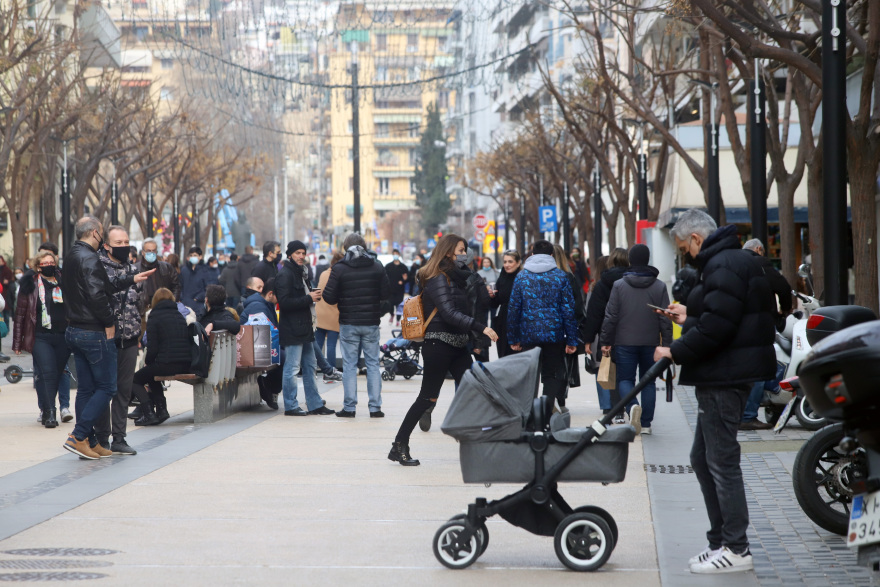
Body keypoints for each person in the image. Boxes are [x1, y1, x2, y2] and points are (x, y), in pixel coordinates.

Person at [653, 209, 776, 574]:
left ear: (695, 238)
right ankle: (720, 541)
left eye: (684, 247)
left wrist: (674, 350)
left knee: (721, 462)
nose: (685, 255)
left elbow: (718, 328)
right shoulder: (733, 261)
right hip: (727, 372)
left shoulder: (722, 265)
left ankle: (735, 548)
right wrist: (687, 317)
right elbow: (723, 318)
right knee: (702, 458)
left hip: (724, 376)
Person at [388, 235, 498, 466]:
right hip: (438, 344)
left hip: (458, 344)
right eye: (460, 249)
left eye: (465, 250)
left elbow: (471, 306)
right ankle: (399, 445)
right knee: (426, 397)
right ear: (448, 252)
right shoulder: (438, 278)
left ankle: (478, 445)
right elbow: (448, 313)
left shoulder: (459, 278)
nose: (464, 254)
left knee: (475, 390)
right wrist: (481, 328)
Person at [62, 217, 154, 460]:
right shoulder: (90, 258)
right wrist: (109, 322)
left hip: (75, 329)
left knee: (87, 389)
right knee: (107, 387)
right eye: (102, 234)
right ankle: (79, 435)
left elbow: (104, 286)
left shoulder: (71, 255)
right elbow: (97, 295)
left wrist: (131, 279)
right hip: (93, 331)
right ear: (95, 233)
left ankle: (90, 441)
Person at [599, 244, 672, 435]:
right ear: (648, 259)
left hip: (624, 341)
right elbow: (665, 317)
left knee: (625, 379)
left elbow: (611, 316)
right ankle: (646, 424)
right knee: (649, 382)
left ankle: (632, 407)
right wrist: (667, 345)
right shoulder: (659, 286)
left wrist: (605, 340)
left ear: (630, 260)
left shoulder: (619, 285)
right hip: (651, 341)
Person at [322, 234, 390, 417]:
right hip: (371, 323)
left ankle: (350, 407)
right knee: (373, 364)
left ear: (345, 248)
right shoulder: (377, 266)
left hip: (349, 322)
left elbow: (328, 297)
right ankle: (375, 408)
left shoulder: (340, 268)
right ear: (365, 247)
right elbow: (386, 293)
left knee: (350, 365)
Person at [507, 240, 578, 409]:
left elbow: (513, 309)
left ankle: (531, 410)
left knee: (530, 374)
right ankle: (547, 408)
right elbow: (569, 310)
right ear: (552, 255)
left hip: (528, 334)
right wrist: (572, 339)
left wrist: (513, 338)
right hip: (555, 334)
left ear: (532, 254)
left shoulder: (522, 277)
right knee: (551, 374)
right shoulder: (560, 276)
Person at [95, 226, 143, 455]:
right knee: (105, 389)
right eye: (118, 242)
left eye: (126, 242)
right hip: (106, 339)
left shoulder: (134, 270)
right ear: (106, 245)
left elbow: (138, 304)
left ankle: (120, 438)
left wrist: (139, 334)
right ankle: (102, 438)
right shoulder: (97, 269)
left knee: (124, 390)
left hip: (130, 338)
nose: (124, 246)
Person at [275, 240, 336, 417]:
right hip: (293, 328)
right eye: (297, 253)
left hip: (306, 327)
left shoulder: (302, 273)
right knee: (292, 368)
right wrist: (308, 298)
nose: (301, 256)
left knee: (310, 366)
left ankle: (315, 404)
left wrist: (312, 296)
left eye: (303, 253)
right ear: (289, 255)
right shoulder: (285, 274)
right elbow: (284, 303)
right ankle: (290, 405)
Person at [740, 238, 794, 430]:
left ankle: (740, 412)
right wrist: (785, 311)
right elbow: (784, 287)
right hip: (759, 323)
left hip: (738, 323)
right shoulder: (760, 263)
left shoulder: (735, 262)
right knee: (759, 368)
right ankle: (748, 416)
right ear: (759, 249)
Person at [13, 250, 69, 428]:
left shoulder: (64, 281)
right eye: (44, 263)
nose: (49, 265)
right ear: (38, 267)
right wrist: (17, 343)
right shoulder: (31, 284)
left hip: (62, 335)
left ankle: (46, 409)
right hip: (40, 336)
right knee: (47, 373)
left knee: (58, 373)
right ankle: (51, 412)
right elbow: (20, 314)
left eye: (51, 262)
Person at [131, 288, 193, 426]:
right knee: (151, 374)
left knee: (135, 379)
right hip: (185, 363)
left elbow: (152, 347)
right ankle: (161, 410)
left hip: (167, 364)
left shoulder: (154, 316)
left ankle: (148, 413)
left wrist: (147, 362)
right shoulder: (179, 315)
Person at [583, 248, 630, 421]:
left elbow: (594, 314)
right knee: (629, 373)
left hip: (608, 333)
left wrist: (588, 339)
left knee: (610, 372)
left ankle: (614, 410)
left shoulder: (602, 284)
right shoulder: (634, 280)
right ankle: (633, 406)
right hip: (631, 333)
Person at [552, 244, 586, 408]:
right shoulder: (568, 277)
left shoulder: (537, 278)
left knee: (549, 367)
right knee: (563, 366)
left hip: (544, 329)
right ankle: (560, 399)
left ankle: (552, 400)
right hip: (565, 329)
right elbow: (577, 307)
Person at [489, 250, 522, 359]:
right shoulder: (502, 277)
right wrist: (492, 296)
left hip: (519, 320)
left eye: (510, 262)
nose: (507, 265)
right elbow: (495, 303)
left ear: (518, 263)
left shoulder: (522, 278)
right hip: (503, 320)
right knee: (503, 355)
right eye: (505, 262)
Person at [315, 251, 342, 380]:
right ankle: (330, 371)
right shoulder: (340, 275)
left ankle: (313, 368)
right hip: (333, 312)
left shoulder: (324, 273)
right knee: (331, 344)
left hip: (320, 311)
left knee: (318, 343)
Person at [138, 237, 180, 307]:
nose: (151, 253)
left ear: (156, 252)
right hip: (143, 310)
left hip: (164, 308)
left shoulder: (167, 267)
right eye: (148, 251)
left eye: (153, 251)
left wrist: (172, 303)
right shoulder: (135, 269)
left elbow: (176, 286)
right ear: (143, 252)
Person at [180, 246, 209, 315]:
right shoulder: (184, 270)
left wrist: (198, 298)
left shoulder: (205, 271)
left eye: (195, 255)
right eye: (191, 255)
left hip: (199, 305)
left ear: (200, 257)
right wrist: (182, 298)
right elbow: (180, 285)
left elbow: (208, 288)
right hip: (185, 305)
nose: (193, 257)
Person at [384, 249, 408, 325]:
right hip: (390, 289)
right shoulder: (388, 266)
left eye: (396, 254)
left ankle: (398, 320)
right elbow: (384, 277)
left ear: (399, 255)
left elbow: (407, 278)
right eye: (394, 254)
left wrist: (403, 280)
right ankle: (392, 314)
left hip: (400, 290)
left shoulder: (403, 267)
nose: (395, 255)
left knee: (399, 305)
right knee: (390, 304)